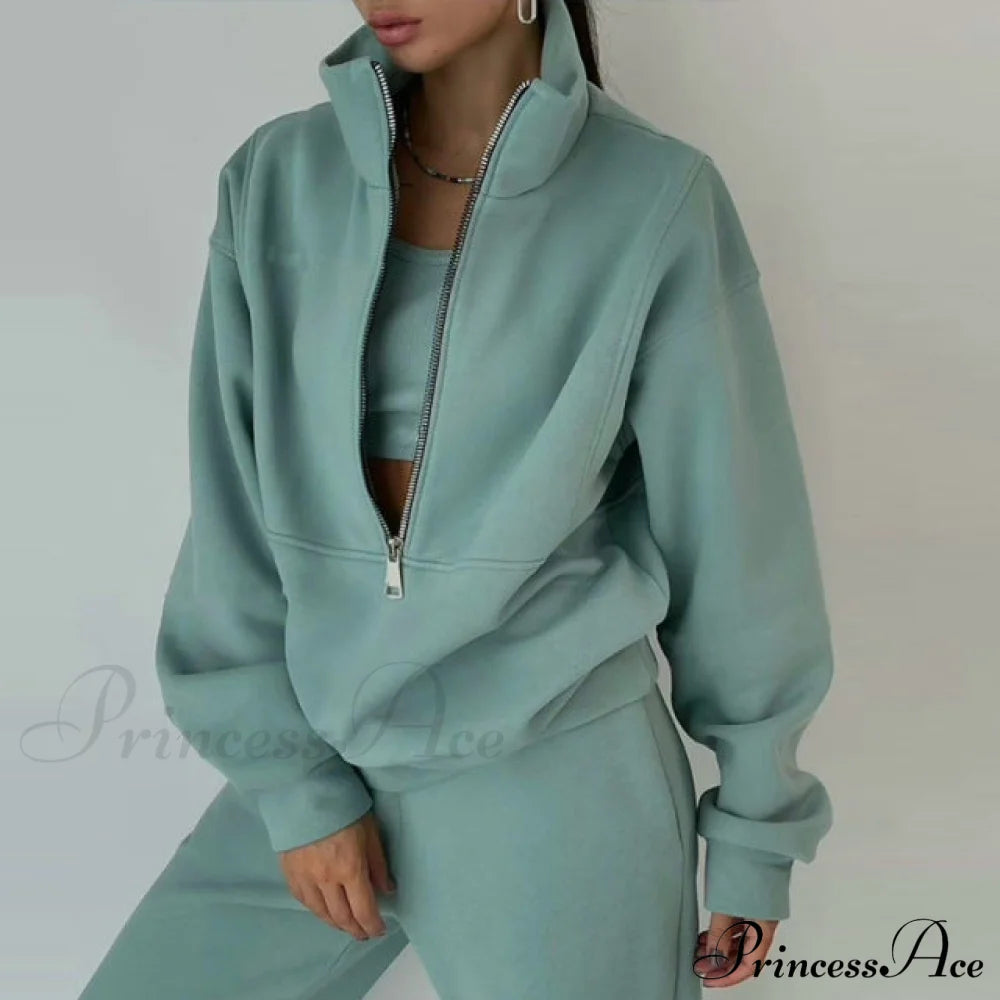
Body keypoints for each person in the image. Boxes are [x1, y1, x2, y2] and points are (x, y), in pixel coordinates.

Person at [77, 0, 835, 997]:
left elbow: (736, 533)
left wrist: (754, 831)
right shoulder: (278, 180)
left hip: (556, 778)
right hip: (326, 752)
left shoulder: (652, 196)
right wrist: (297, 791)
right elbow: (232, 514)